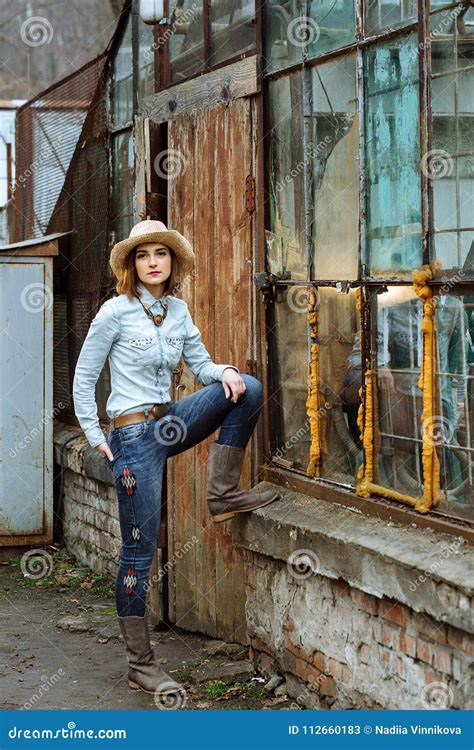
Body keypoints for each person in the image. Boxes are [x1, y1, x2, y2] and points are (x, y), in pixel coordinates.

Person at [72, 219, 279, 699]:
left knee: (246, 388)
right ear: (131, 264)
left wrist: (223, 370)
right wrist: (92, 435)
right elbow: (84, 380)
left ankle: (222, 492)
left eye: (159, 255)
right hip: (131, 438)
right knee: (138, 552)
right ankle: (140, 665)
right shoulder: (114, 313)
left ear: (171, 262)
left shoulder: (179, 311)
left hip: (169, 423)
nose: (152, 263)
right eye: (142, 255)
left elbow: (201, 365)